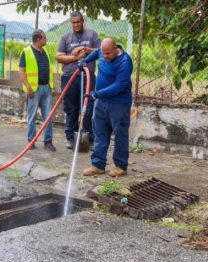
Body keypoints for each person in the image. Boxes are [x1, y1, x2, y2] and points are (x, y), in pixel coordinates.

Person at [81, 38, 133, 177]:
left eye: (108, 53)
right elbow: (97, 52)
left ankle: (121, 166)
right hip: (101, 102)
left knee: (120, 134)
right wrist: (85, 60)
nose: (104, 56)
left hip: (119, 104)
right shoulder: (103, 52)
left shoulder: (124, 62)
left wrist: (98, 93)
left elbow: (120, 85)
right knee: (100, 133)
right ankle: (98, 165)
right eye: (103, 53)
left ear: (116, 49)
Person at [56, 11, 101, 150]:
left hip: (88, 78)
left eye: (78, 22)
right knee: (71, 109)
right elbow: (59, 57)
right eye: (73, 22)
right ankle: (70, 138)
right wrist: (76, 58)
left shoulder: (92, 35)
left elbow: (100, 51)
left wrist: (85, 49)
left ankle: (89, 140)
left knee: (88, 109)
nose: (76, 25)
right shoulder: (65, 38)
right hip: (70, 78)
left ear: (83, 21)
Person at [18, 29, 57, 152]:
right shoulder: (26, 52)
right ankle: (31, 141)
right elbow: (21, 71)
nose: (46, 40)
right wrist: (28, 86)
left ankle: (48, 141)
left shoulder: (44, 51)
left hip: (47, 88)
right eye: (44, 38)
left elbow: (49, 70)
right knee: (32, 116)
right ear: (38, 40)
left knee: (48, 116)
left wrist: (53, 86)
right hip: (34, 90)